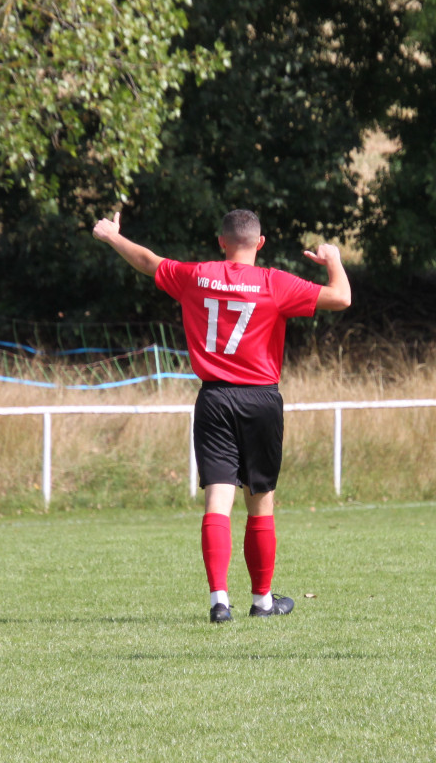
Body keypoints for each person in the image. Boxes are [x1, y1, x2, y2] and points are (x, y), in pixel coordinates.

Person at [92, 209, 351, 623]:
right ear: (260, 243)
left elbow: (148, 262)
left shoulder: (197, 276)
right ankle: (263, 602)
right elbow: (341, 297)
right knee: (260, 503)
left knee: (218, 498)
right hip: (261, 400)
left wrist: (111, 236)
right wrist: (333, 258)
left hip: (213, 399)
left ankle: (218, 601)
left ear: (221, 242)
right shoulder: (274, 282)